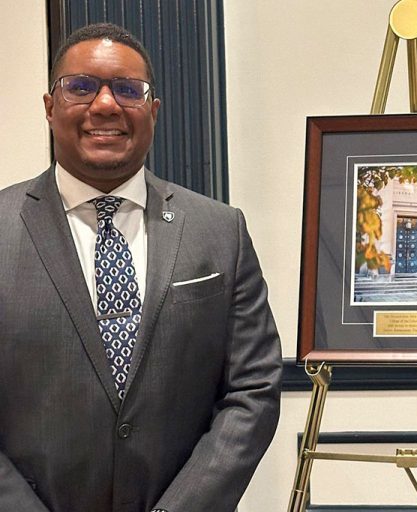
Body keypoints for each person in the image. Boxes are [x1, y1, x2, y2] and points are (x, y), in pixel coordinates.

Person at [0, 23, 282, 511]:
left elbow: (253, 388)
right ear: (50, 107)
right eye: (81, 87)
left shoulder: (220, 230)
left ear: (153, 111)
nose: (105, 105)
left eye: (128, 90)